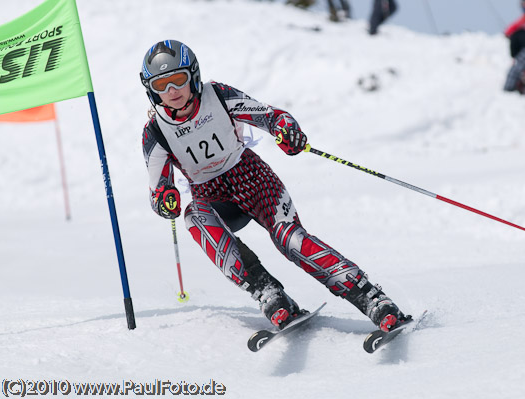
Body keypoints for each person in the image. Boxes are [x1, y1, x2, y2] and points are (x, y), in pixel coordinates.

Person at [139, 40, 411, 331]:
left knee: (288, 239)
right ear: (151, 90)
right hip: (213, 196)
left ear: (192, 75)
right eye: (161, 85)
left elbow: (271, 116)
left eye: (178, 80)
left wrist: (286, 130)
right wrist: (166, 199)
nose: (172, 91)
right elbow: (159, 190)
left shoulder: (217, 95)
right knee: (194, 215)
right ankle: (267, 292)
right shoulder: (155, 131)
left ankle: (371, 298)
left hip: (251, 178)